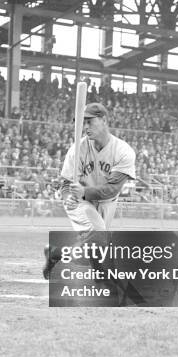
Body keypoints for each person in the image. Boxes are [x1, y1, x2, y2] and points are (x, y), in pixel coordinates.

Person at [43, 103, 136, 279]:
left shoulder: (123, 151)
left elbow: (111, 189)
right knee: (98, 239)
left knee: (96, 247)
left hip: (106, 201)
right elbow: (65, 183)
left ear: (104, 120)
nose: (85, 127)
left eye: (89, 121)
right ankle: (100, 272)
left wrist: (83, 191)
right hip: (80, 202)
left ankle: (55, 253)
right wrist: (68, 196)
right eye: (81, 123)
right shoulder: (77, 150)